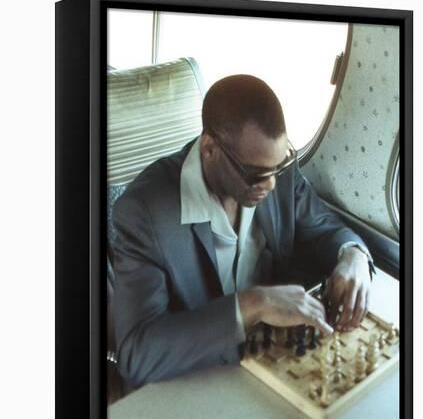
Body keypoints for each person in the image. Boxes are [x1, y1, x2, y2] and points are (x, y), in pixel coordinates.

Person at [112, 75, 374, 387]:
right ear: (209, 149)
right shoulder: (143, 212)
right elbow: (137, 355)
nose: (271, 184)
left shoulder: (277, 170)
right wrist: (252, 304)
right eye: (255, 174)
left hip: (274, 360)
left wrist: (353, 256)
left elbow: (325, 228)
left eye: (278, 167)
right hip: (199, 376)